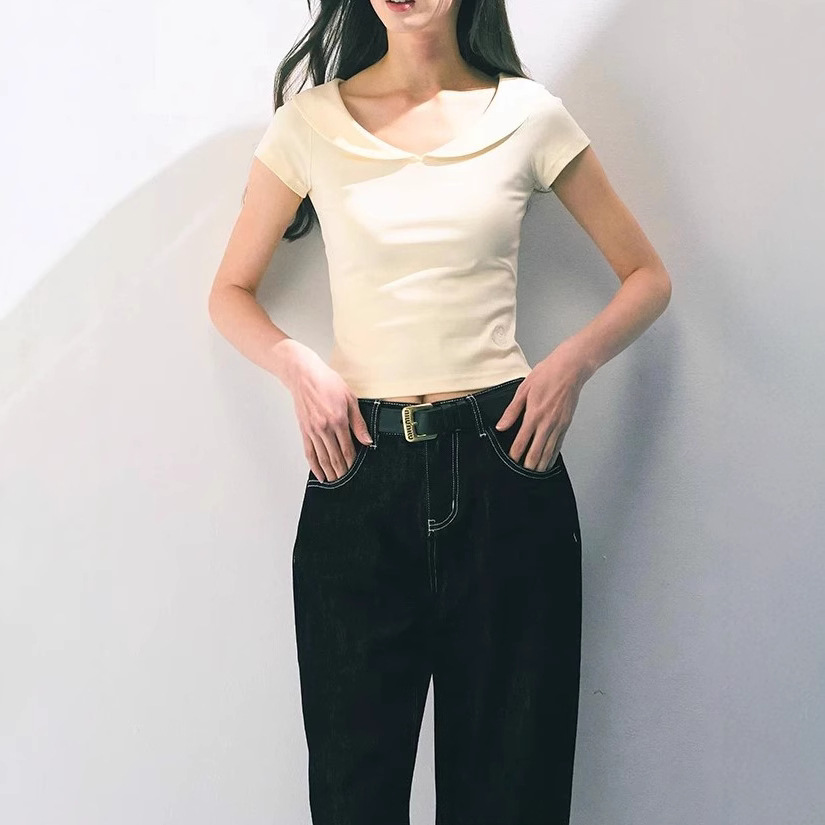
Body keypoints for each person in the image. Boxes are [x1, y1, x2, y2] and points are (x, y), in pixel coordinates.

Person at [209, 1, 672, 822]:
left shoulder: (529, 115)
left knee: (512, 797)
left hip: (507, 469)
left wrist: (569, 365)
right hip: (358, 475)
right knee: (353, 797)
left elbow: (646, 276)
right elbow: (229, 291)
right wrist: (297, 365)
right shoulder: (310, 123)